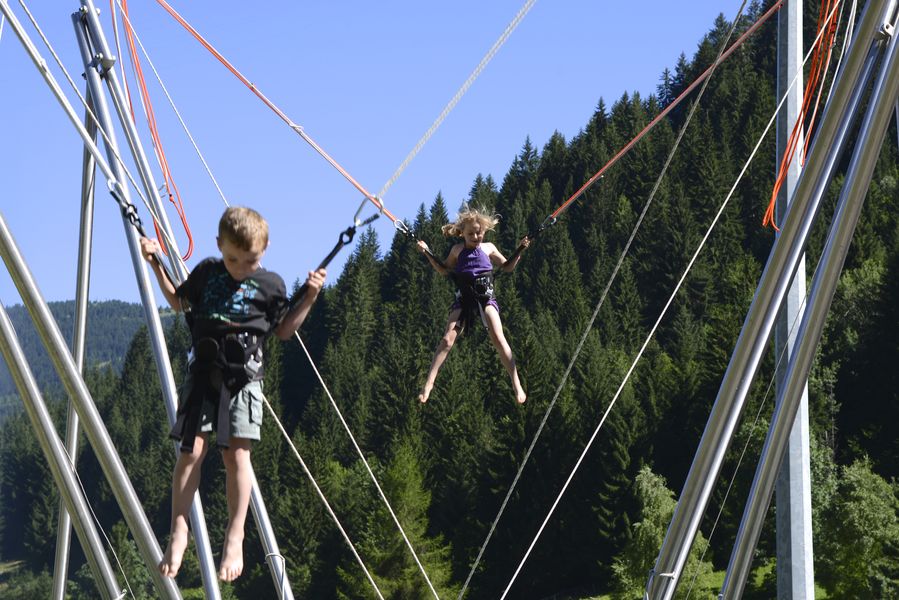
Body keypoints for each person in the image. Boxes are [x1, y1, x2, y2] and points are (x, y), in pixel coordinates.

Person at [140, 206, 326, 582]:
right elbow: (179, 300)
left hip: (244, 379)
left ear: (266, 249)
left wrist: (309, 296)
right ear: (219, 246)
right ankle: (179, 527)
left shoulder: (271, 285)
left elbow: (284, 330)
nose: (240, 267)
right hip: (204, 373)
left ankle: (235, 533)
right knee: (191, 451)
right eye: (232, 259)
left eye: (250, 259)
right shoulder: (208, 272)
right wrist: (155, 262)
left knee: (236, 456)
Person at [416, 205, 529, 404]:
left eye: (479, 233)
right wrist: (426, 252)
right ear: (462, 233)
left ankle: (516, 383)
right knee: (447, 340)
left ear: (484, 232)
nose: (476, 237)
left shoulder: (489, 248)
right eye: (471, 234)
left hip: (486, 297)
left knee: (498, 336)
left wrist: (520, 249)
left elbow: (507, 266)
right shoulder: (457, 250)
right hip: (464, 298)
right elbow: (443, 270)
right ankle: (429, 383)